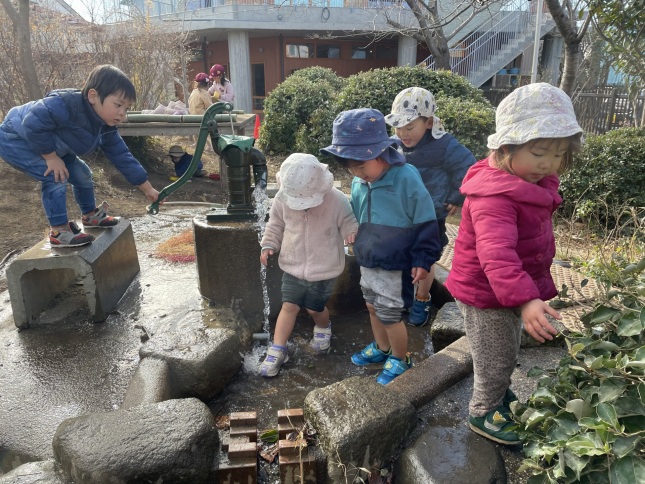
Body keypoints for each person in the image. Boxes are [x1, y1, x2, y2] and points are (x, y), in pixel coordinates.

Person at [444, 83, 583, 445]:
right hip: (485, 292)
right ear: (506, 147)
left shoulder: (525, 180)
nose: (549, 164)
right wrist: (526, 299)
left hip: (506, 288)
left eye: (559, 156)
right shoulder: (495, 196)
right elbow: (497, 255)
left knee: (504, 348)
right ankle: (482, 411)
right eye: (539, 153)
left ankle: (498, 395)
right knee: (496, 356)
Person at [320, 108, 442, 385]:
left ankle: (400, 357)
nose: (356, 173)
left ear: (381, 153)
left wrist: (423, 259)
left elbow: (425, 220)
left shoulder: (405, 178)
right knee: (372, 307)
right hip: (369, 259)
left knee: (390, 314)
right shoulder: (359, 181)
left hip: (396, 263)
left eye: (361, 166)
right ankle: (382, 348)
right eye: (350, 167)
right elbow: (355, 215)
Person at [0, 64, 160, 248]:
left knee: (82, 173)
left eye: (126, 108)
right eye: (118, 105)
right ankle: (59, 232)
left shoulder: (105, 127)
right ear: (93, 96)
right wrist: (51, 158)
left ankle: (90, 216)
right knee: (55, 175)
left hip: (50, 145)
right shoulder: (64, 103)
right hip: (15, 138)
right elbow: (32, 123)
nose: (122, 114)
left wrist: (148, 189)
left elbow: (122, 156)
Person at [258, 153, 358, 377]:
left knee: (315, 308)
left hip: (324, 268)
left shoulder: (337, 200)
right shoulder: (282, 200)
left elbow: (349, 221)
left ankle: (323, 328)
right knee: (289, 306)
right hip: (292, 265)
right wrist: (268, 245)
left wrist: (351, 232)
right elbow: (274, 225)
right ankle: (278, 349)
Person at [385, 87, 476, 326]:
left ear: (428, 122)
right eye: (398, 127)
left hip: (431, 215)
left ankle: (422, 298)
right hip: (402, 216)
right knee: (404, 256)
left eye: (410, 127)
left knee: (425, 259)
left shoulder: (444, 145)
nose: (403, 133)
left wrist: (456, 197)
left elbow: (467, 166)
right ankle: (405, 297)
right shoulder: (394, 145)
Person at [187, 72, 213, 148]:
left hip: (192, 117)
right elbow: (209, 107)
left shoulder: (193, 92)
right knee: (203, 132)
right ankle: (210, 145)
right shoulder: (205, 93)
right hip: (202, 118)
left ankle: (199, 143)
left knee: (198, 132)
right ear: (207, 84)